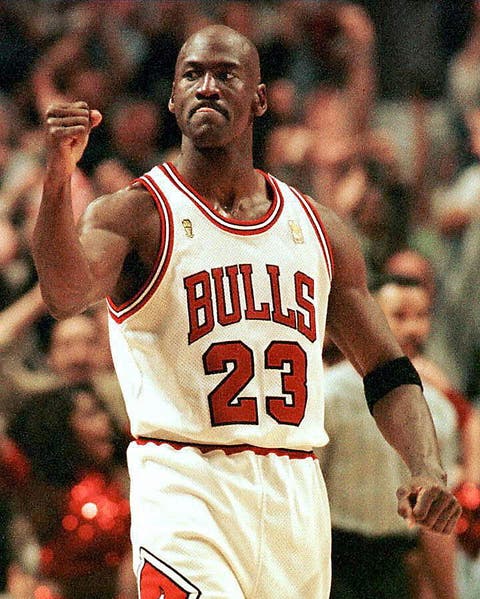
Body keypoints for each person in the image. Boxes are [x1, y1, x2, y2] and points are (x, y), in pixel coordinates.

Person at [32, 24, 461, 599]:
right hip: (185, 486)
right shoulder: (134, 215)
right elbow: (63, 294)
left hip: (295, 496)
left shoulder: (320, 231)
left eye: (225, 74)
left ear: (259, 98)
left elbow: (387, 369)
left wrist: (424, 465)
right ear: (173, 98)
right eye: (192, 75)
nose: (207, 87)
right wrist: (58, 179)